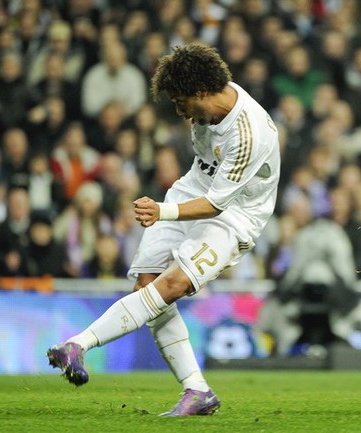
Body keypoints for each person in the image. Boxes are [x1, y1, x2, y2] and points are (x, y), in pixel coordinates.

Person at [47, 42, 280, 416]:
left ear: (201, 91)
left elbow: (217, 204)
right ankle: (197, 391)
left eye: (180, 101)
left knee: (172, 285)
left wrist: (162, 211)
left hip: (234, 216)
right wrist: (169, 208)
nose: (179, 111)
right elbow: (203, 176)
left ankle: (78, 344)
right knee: (147, 285)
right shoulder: (206, 111)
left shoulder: (249, 132)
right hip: (191, 192)